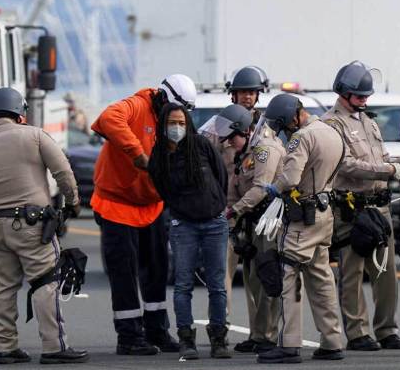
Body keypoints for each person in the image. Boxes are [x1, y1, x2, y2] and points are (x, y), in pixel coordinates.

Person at [0, 88, 89, 364]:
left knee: (3, 286)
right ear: (20, 114)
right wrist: (73, 202)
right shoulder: (35, 136)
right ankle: (54, 347)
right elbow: (62, 171)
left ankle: (6, 347)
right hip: (32, 225)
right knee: (45, 281)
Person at [90, 74, 197, 355]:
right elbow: (108, 118)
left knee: (157, 270)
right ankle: (128, 337)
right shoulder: (137, 105)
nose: (175, 119)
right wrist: (137, 153)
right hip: (117, 204)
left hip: (151, 206)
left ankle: (157, 331)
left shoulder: (173, 123)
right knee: (124, 273)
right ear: (162, 98)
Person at [323, 61, 400, 351]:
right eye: (359, 97)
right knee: (352, 272)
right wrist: (386, 170)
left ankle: (387, 329)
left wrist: (398, 166)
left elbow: (382, 155)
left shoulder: (369, 121)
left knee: (385, 273)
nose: (364, 101)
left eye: (366, 97)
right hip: (351, 208)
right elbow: (344, 164)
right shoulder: (331, 124)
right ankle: (357, 332)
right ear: (344, 93)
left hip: (379, 207)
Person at [257, 94, 347, 364]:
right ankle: (332, 341)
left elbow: (293, 177)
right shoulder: (331, 132)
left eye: (283, 126)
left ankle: (289, 343)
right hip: (324, 213)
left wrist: (276, 187)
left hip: (301, 217)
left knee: (289, 278)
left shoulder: (301, 137)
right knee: (321, 278)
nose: (284, 132)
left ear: (292, 119)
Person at [148, 102, 232, 359]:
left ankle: (219, 339)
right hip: (183, 225)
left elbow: (221, 178)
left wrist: (215, 206)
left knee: (217, 284)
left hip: (215, 223)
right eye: (172, 123)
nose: (177, 128)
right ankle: (187, 339)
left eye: (181, 123)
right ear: (163, 125)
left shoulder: (201, 145)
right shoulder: (159, 157)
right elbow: (162, 191)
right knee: (183, 284)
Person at [220, 66, 281, 354]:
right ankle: (221, 331)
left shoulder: (265, 131)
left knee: (260, 275)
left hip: (256, 213)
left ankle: (263, 334)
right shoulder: (218, 127)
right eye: (243, 91)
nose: (247, 97)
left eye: (252, 92)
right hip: (225, 211)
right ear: (233, 93)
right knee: (224, 276)